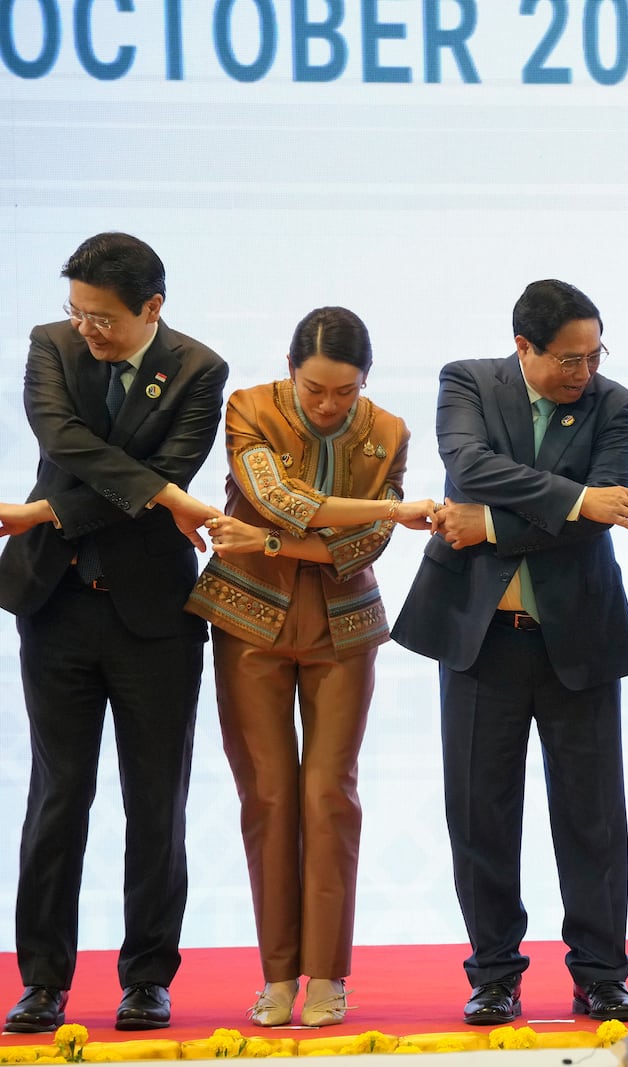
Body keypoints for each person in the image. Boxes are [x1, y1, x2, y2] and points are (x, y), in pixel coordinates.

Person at [391, 279, 628, 1027]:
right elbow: (469, 467)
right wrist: (573, 497)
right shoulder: (467, 381)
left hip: (580, 636)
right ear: (524, 347)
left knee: (593, 817)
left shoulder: (618, 404)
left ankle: (602, 973)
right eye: (569, 358)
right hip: (482, 637)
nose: (585, 371)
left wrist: (499, 527)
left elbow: (603, 513)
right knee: (480, 813)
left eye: (594, 354)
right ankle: (495, 974)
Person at [0, 233, 227, 1033]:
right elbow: (62, 441)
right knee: (58, 796)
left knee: (155, 800)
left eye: (104, 317)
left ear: (152, 308)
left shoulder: (200, 369)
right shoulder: (50, 346)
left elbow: (169, 477)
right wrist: (163, 492)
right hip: (56, 604)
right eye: (79, 312)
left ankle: (146, 977)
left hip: (153, 617)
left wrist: (52, 509)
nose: (87, 328)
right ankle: (43, 980)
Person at [184, 307, 436, 1027]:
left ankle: (325, 973)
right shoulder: (248, 407)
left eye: (345, 391)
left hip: (344, 628)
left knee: (330, 796)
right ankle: (275, 975)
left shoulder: (389, 432)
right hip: (248, 622)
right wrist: (395, 508)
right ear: (291, 370)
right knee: (267, 795)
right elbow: (277, 499)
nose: (329, 404)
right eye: (315, 388)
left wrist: (265, 546)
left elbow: (360, 548)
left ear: (366, 381)